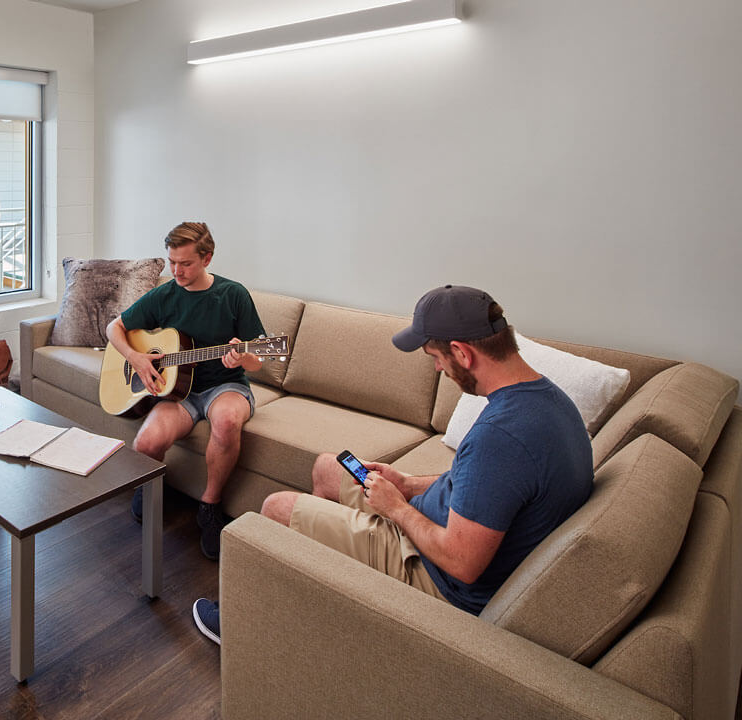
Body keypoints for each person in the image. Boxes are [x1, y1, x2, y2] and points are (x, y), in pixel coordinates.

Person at [192, 285, 593, 644]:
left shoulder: (501, 437)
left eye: (436, 358)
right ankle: (323, 589)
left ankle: (241, 626)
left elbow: (463, 563)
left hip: (435, 573)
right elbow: (492, 486)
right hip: (432, 520)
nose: (437, 369)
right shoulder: (551, 402)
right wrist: (409, 484)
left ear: (462, 352)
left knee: (276, 509)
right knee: (330, 467)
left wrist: (395, 508)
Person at [106, 221, 267, 561]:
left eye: (186, 263)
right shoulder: (165, 293)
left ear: (207, 259)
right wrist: (136, 358)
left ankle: (210, 507)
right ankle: (149, 490)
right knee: (146, 443)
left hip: (226, 386)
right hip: (179, 392)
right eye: (172, 261)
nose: (176, 270)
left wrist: (244, 356)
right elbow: (114, 327)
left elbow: (260, 361)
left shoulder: (233, 295)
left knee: (224, 422)